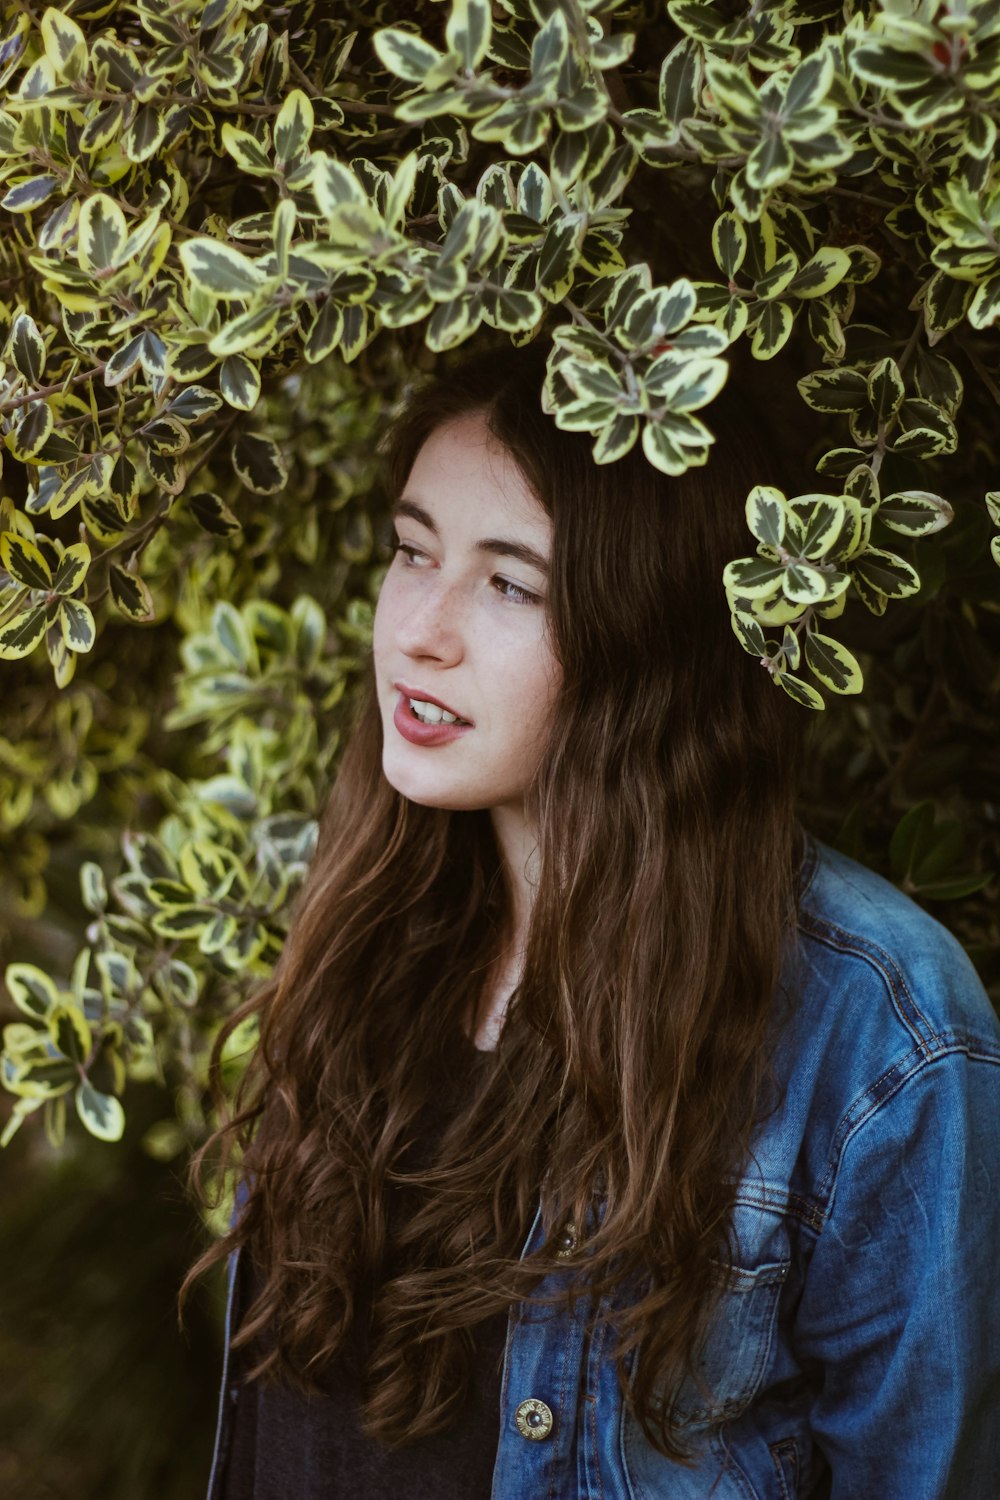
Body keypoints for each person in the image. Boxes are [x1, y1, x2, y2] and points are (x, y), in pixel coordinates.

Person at [188, 343, 1000, 1499]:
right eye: (412, 552)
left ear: (644, 636)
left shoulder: (879, 1033)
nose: (419, 628)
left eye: (510, 583)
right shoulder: (375, 920)